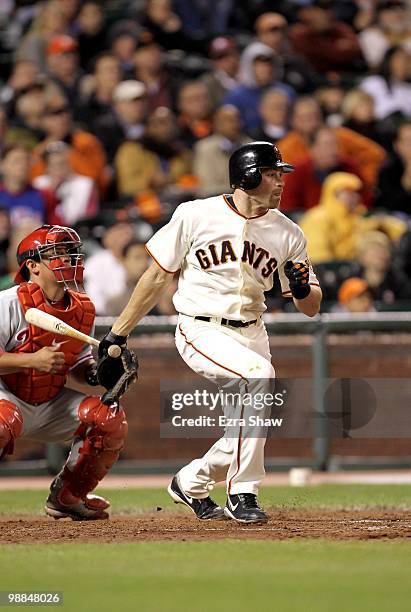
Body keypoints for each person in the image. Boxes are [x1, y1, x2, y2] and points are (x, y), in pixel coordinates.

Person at [96, 142, 322, 524]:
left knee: (247, 425)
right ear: (247, 176)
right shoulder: (195, 214)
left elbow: (312, 306)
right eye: (272, 173)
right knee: (259, 377)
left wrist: (302, 290)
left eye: (280, 173)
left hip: (253, 332)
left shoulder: (288, 232)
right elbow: (156, 276)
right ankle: (244, 491)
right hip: (200, 327)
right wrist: (118, 334)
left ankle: (192, 481)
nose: (281, 181)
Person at [0, 224, 128, 520]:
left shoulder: (84, 309)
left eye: (71, 252)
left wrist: (99, 375)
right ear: (32, 266)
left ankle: (67, 497)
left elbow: (79, 364)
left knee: (109, 417)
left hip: (49, 400)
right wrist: (31, 361)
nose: (69, 258)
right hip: (7, 395)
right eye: (57, 253)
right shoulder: (7, 303)